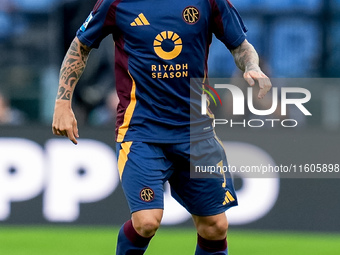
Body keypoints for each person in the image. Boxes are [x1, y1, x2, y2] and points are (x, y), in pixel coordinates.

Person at [52, 0, 272, 254]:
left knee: (215, 226)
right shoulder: (116, 3)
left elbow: (241, 46)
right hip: (141, 130)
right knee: (146, 221)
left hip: (195, 131)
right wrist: (62, 102)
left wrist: (252, 66)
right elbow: (80, 46)